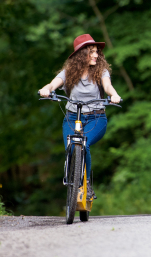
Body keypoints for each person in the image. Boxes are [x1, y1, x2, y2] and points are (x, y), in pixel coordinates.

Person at [39, 34, 121, 198]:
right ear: (81, 54)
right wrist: (46, 89)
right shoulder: (69, 72)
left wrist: (114, 95)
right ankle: (72, 180)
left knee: (84, 144)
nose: (96, 55)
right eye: (91, 52)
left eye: (96, 52)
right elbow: (54, 83)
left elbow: (107, 86)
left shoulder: (101, 71)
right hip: (71, 117)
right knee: (71, 148)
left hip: (95, 118)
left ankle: (87, 183)